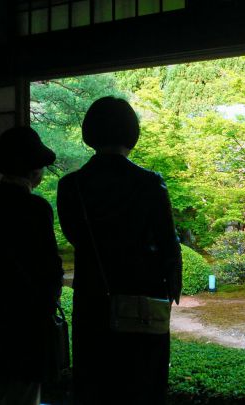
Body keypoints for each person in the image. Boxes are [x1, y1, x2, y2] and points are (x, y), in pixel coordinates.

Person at [57, 97, 182, 404]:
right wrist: (171, 287)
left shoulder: (70, 186)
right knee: (141, 383)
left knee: (95, 383)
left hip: (93, 297)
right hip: (142, 300)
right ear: (131, 132)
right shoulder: (150, 183)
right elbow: (169, 243)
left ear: (91, 132)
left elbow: (76, 237)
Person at [0, 127, 63, 405]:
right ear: (34, 171)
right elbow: (51, 265)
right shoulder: (37, 208)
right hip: (28, 314)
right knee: (24, 391)